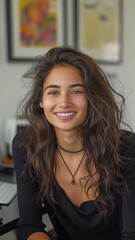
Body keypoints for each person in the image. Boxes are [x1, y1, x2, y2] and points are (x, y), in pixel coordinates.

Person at [12, 46, 135, 240]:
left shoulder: (126, 148)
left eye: (76, 91)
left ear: (92, 97)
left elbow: (131, 234)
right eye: (53, 92)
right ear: (41, 100)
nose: (64, 102)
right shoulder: (27, 146)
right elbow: (29, 226)